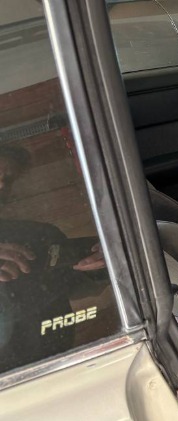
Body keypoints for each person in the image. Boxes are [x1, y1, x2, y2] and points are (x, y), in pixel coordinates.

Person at [0, 144, 109, 371]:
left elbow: (70, 284)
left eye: (8, 179)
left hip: (54, 361)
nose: (1, 184)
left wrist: (100, 267)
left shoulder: (38, 234)